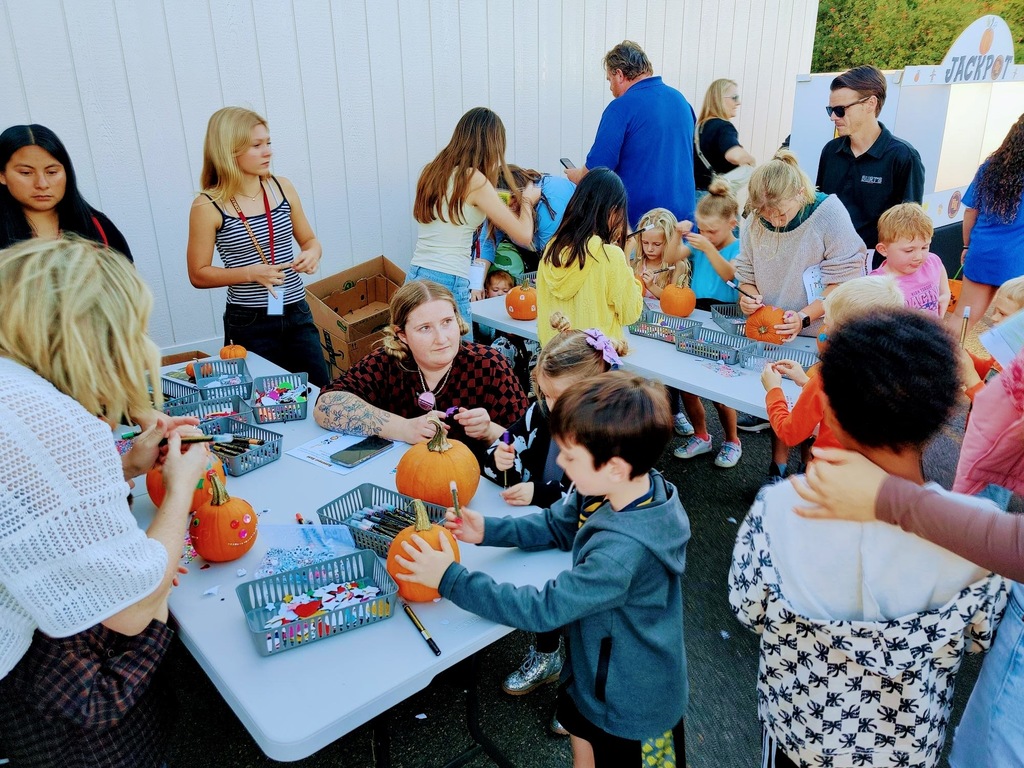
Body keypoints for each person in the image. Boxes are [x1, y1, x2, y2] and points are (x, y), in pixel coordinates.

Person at [729, 309, 1007, 768]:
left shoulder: (779, 509)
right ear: (943, 418)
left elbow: (749, 608)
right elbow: (980, 635)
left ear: (829, 414)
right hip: (903, 747)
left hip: (799, 733)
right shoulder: (979, 535)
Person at [394, 372, 689, 768]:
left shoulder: (623, 553)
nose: (560, 463)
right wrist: (489, 531)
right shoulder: (610, 488)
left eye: (570, 455)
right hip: (592, 675)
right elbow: (556, 523)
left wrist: (450, 579)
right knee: (583, 742)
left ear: (616, 467)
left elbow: (543, 609)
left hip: (634, 705)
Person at [0, 237, 212, 767]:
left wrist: (125, 469)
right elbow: (132, 610)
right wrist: (180, 490)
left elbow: (29, 503)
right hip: (37, 679)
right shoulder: (51, 420)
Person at [792, 347, 1024, 768]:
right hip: (909, 740)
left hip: (806, 724)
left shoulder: (800, 519)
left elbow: (757, 602)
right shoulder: (979, 549)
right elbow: (978, 635)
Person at [481, 315, 624, 736]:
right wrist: (501, 460)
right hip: (544, 529)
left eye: (556, 396)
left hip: (587, 544)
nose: (546, 403)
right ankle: (546, 654)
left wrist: (537, 493)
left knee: (583, 617)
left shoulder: (610, 435)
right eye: (543, 393)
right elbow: (510, 441)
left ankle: (584, 693)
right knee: (545, 595)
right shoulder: (543, 412)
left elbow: (584, 497)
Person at [734, 150, 867, 480]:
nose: (774, 221)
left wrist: (804, 317)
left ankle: (809, 470)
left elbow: (846, 278)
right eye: (766, 215)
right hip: (771, 329)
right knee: (782, 405)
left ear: (799, 194)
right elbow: (746, 271)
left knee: (812, 407)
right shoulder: (754, 217)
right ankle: (777, 467)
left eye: (780, 214)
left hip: (819, 332)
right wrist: (747, 296)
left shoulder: (828, 213)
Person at [186, 107, 329, 386]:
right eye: (256, 145)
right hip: (250, 322)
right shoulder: (207, 205)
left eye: (268, 143)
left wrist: (311, 254)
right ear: (228, 151)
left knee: (321, 394)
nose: (268, 152)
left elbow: (310, 241)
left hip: (296, 310)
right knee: (263, 403)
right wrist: (252, 273)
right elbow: (198, 274)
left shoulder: (281, 187)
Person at [313, 280, 528, 461]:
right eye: (425, 328)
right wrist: (405, 428)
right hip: (398, 478)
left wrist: (490, 431)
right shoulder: (388, 362)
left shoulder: (489, 366)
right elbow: (326, 406)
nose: (441, 338)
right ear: (402, 335)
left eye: (446, 322)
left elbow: (529, 444)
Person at [409, 108, 540, 325]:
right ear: (492, 146)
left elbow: (455, 212)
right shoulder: (474, 180)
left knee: (422, 354)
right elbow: (524, 235)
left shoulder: (432, 173)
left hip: (416, 275)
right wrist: (526, 201)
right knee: (461, 357)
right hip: (448, 281)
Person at [759, 275, 905, 456]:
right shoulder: (895, 374)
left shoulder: (825, 379)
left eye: (828, 324)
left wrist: (773, 390)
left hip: (829, 471)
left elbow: (790, 434)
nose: (824, 332)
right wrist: (805, 381)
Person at [566, 41, 696, 227]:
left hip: (641, 226)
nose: (611, 88)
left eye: (609, 80)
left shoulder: (621, 108)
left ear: (619, 74)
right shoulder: (681, 101)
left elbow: (596, 173)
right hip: (683, 223)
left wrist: (575, 175)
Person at [815, 65, 925, 266]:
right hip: (828, 264)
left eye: (840, 110)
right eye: (831, 110)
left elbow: (911, 227)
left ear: (870, 104)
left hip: (877, 271)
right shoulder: (830, 151)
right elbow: (819, 210)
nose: (833, 117)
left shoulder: (903, 156)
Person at [672, 179, 745, 467]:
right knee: (688, 383)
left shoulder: (737, 248)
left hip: (726, 317)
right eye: (701, 229)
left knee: (720, 387)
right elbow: (669, 256)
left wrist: (708, 247)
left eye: (712, 230)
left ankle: (732, 440)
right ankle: (702, 435)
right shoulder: (702, 243)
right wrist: (679, 237)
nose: (706, 235)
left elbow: (731, 275)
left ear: (733, 224)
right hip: (696, 312)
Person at [536, 168, 644, 347]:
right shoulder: (610, 255)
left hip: (554, 362)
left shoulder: (550, 249)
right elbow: (630, 313)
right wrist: (626, 261)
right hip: (594, 364)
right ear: (612, 212)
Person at [0, 124, 133, 258]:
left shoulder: (98, 226)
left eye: (52, 172)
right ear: (2, 175)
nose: (42, 184)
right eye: (26, 172)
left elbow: (126, 278)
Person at [952, 112, 1024, 333]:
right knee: (1014, 330)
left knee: (962, 319)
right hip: (1017, 261)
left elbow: (970, 212)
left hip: (982, 252)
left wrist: (966, 245)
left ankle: (934, 362)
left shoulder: (991, 166)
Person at [479, 165, 575, 277]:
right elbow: (487, 244)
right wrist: (477, 284)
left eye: (514, 201)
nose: (512, 206)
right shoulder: (500, 204)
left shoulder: (549, 208)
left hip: (565, 247)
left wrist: (526, 204)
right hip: (541, 249)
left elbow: (551, 258)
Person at [869, 202, 950, 315]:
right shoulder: (876, 283)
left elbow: (939, 268)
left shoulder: (932, 261)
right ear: (883, 249)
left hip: (931, 331)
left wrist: (945, 294)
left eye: (924, 247)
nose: (919, 257)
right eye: (909, 250)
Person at [960, 275, 1024, 401]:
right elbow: (990, 372)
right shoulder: (1007, 349)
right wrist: (966, 358)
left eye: (1002, 314)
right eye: (995, 311)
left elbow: (994, 412)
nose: (993, 318)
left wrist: (972, 380)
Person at [693, 79, 756, 195]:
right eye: (735, 97)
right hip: (715, 201)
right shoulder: (724, 127)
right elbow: (735, 155)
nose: (738, 102)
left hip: (694, 196)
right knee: (748, 168)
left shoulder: (699, 127)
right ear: (720, 99)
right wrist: (751, 160)